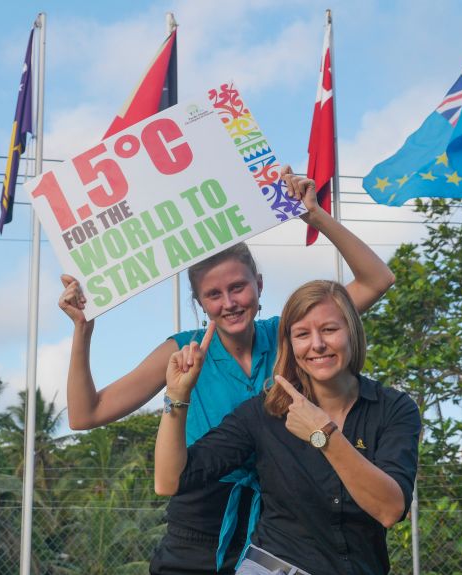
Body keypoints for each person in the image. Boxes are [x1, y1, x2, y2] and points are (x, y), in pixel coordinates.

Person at [58, 167, 395, 574]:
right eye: (213, 294)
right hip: (199, 522)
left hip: (281, 525)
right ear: (200, 303)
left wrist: (314, 216)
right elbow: (85, 414)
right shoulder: (182, 350)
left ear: (259, 284)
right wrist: (82, 330)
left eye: (238, 287)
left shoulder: (292, 336)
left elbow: (377, 279)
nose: (229, 302)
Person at [155, 280, 421, 575]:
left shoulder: (393, 409)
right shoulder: (266, 412)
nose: (317, 344)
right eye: (302, 334)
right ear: (290, 345)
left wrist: (324, 436)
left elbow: (389, 509)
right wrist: (177, 397)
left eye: (330, 330)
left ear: (353, 333)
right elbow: (169, 481)